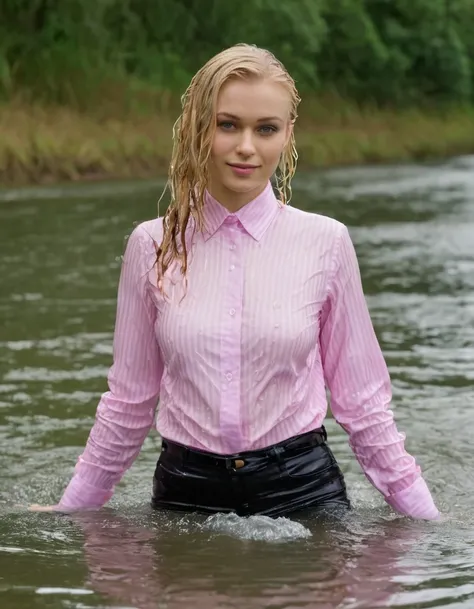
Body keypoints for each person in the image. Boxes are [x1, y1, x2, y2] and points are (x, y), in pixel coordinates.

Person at [30, 43, 440, 519]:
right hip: (186, 492)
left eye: (265, 129)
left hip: (302, 490)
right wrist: (73, 509)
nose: (247, 146)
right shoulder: (152, 245)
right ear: (196, 128)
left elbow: (363, 403)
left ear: (287, 135)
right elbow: (129, 400)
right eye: (228, 125)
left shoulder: (326, 241)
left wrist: (426, 523)